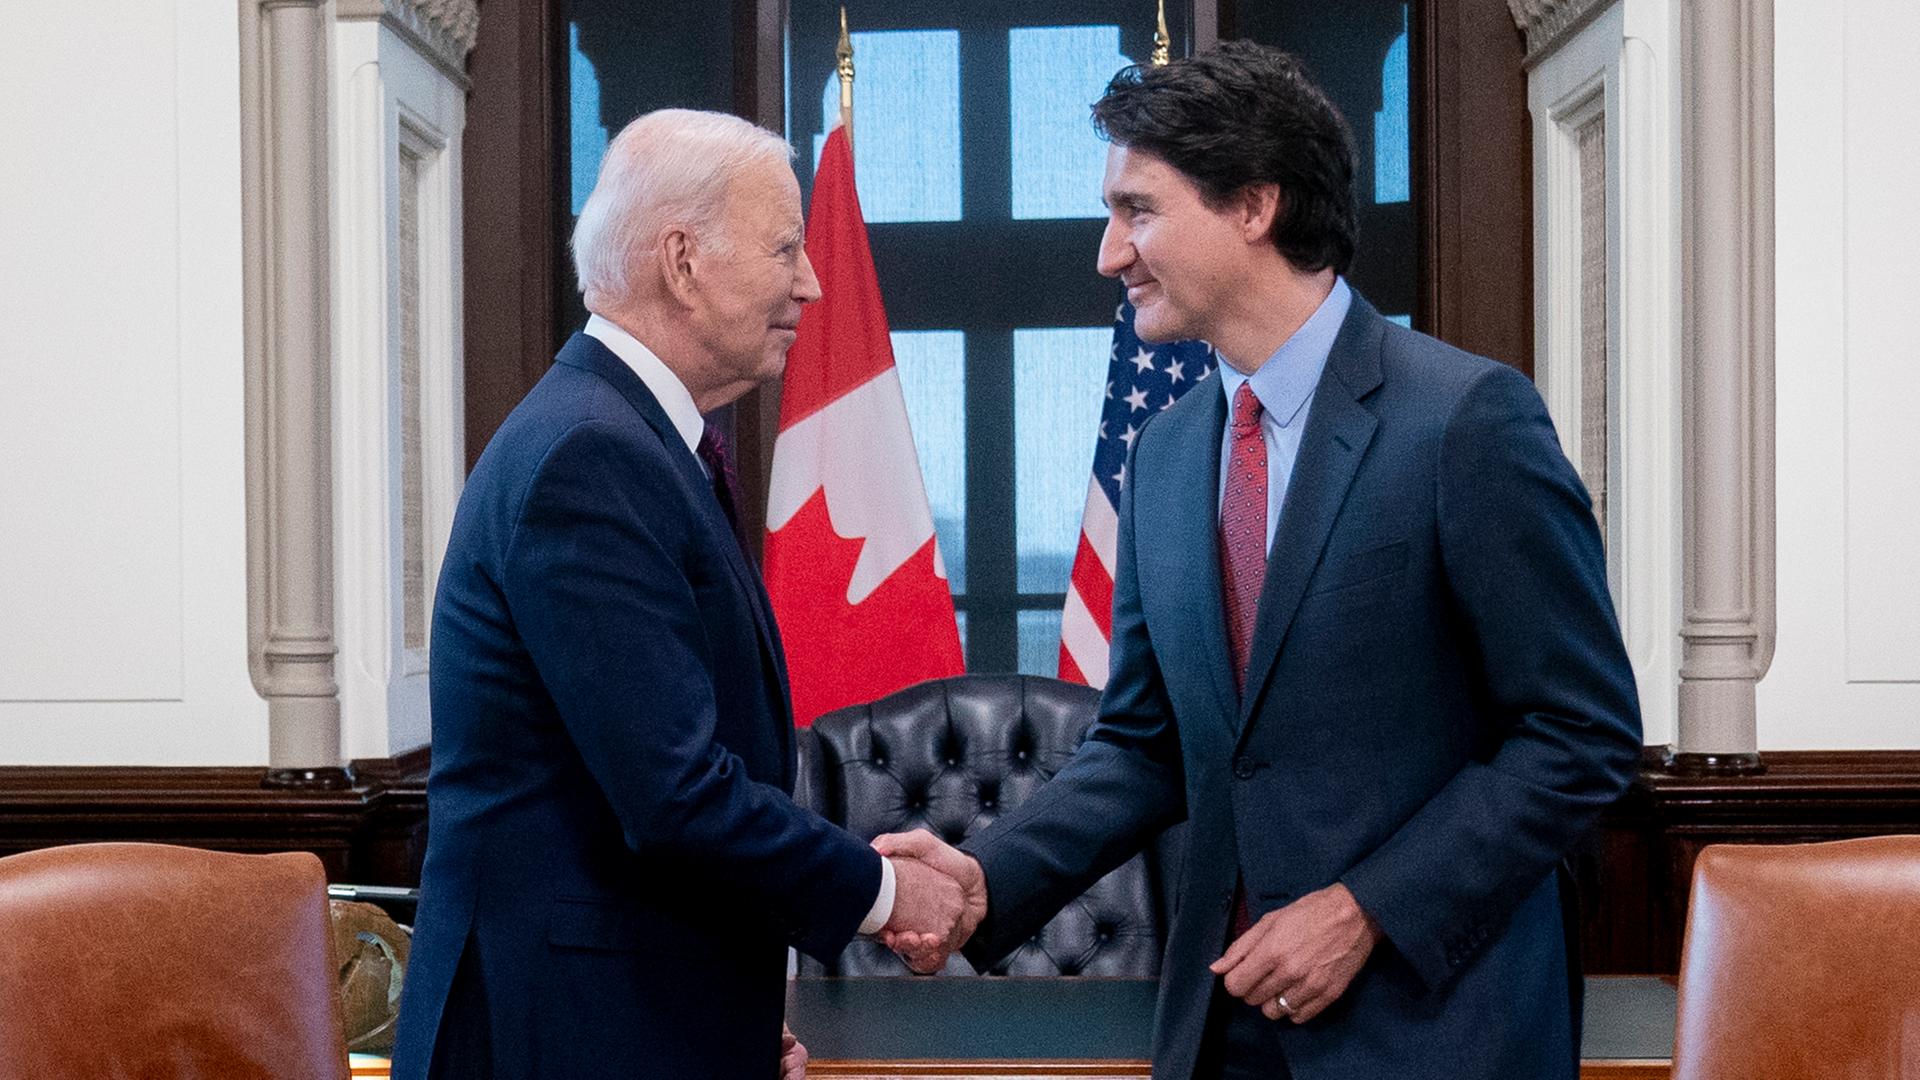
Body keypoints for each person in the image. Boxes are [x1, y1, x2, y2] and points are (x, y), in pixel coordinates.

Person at [878, 43, 1642, 1080]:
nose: (1111, 253)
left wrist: (1367, 907)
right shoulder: (1172, 451)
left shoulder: (1466, 420)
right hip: (1222, 1033)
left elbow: (1580, 733)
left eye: (1138, 210)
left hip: (1434, 1032)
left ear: (1253, 205)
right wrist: (983, 878)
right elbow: (1146, 743)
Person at [391, 108, 967, 1080]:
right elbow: (674, 795)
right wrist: (882, 892)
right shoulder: (591, 456)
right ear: (682, 260)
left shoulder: (636, 440)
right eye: (785, 248)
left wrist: (726, 1013)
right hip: (560, 1040)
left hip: (624, 1020)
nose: (811, 280)